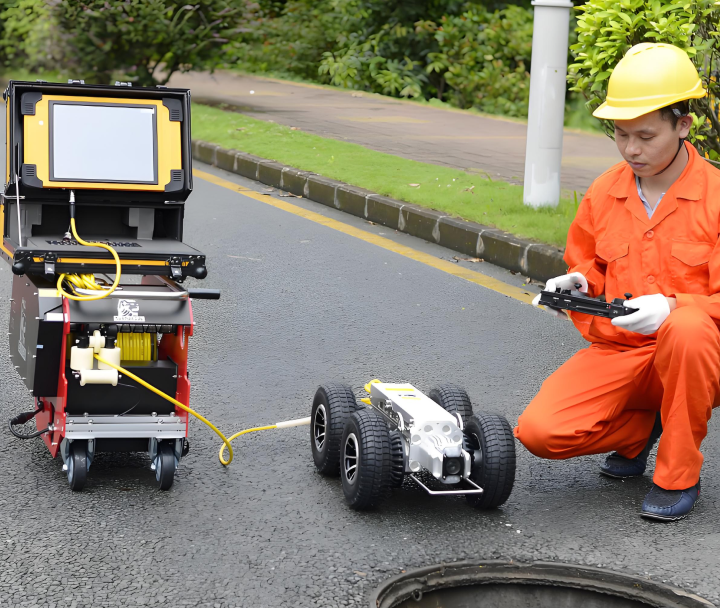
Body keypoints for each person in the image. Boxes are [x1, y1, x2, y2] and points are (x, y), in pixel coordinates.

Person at [516, 42, 720, 522]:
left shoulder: (716, 197)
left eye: (646, 136)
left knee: (687, 328)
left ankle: (677, 474)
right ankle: (641, 429)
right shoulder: (606, 191)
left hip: (698, 357)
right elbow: (592, 263)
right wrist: (578, 283)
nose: (632, 149)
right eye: (621, 135)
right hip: (622, 352)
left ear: (683, 125)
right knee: (540, 433)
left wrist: (673, 306)